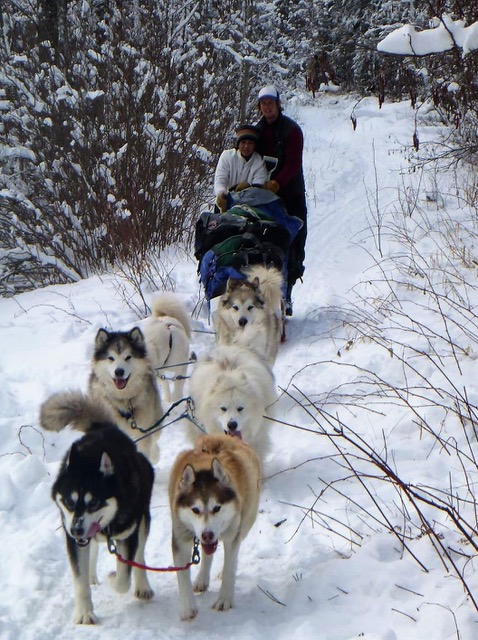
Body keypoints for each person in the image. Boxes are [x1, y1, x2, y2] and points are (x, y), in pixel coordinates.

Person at [256, 84, 307, 316]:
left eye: (270, 102)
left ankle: (287, 295)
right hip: (264, 198)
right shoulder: (257, 131)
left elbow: (293, 164)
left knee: (293, 246)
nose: (267, 107)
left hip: (291, 196)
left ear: (278, 104)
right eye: (263, 103)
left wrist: (277, 183)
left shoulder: (292, 130)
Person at [214, 124, 268, 213]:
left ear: (255, 145)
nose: (246, 146)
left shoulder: (259, 162)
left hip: (249, 207)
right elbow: (220, 179)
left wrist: (246, 189)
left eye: (250, 143)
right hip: (225, 203)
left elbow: (259, 188)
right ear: (238, 143)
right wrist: (221, 195)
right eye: (243, 142)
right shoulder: (227, 156)